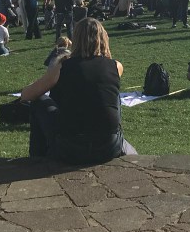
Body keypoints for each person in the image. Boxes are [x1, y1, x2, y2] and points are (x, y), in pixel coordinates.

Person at [22, 18, 136, 164]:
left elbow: (26, 95)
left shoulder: (62, 67)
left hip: (70, 147)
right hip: (109, 147)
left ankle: (37, 159)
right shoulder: (116, 66)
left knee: (39, 100)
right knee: (113, 98)